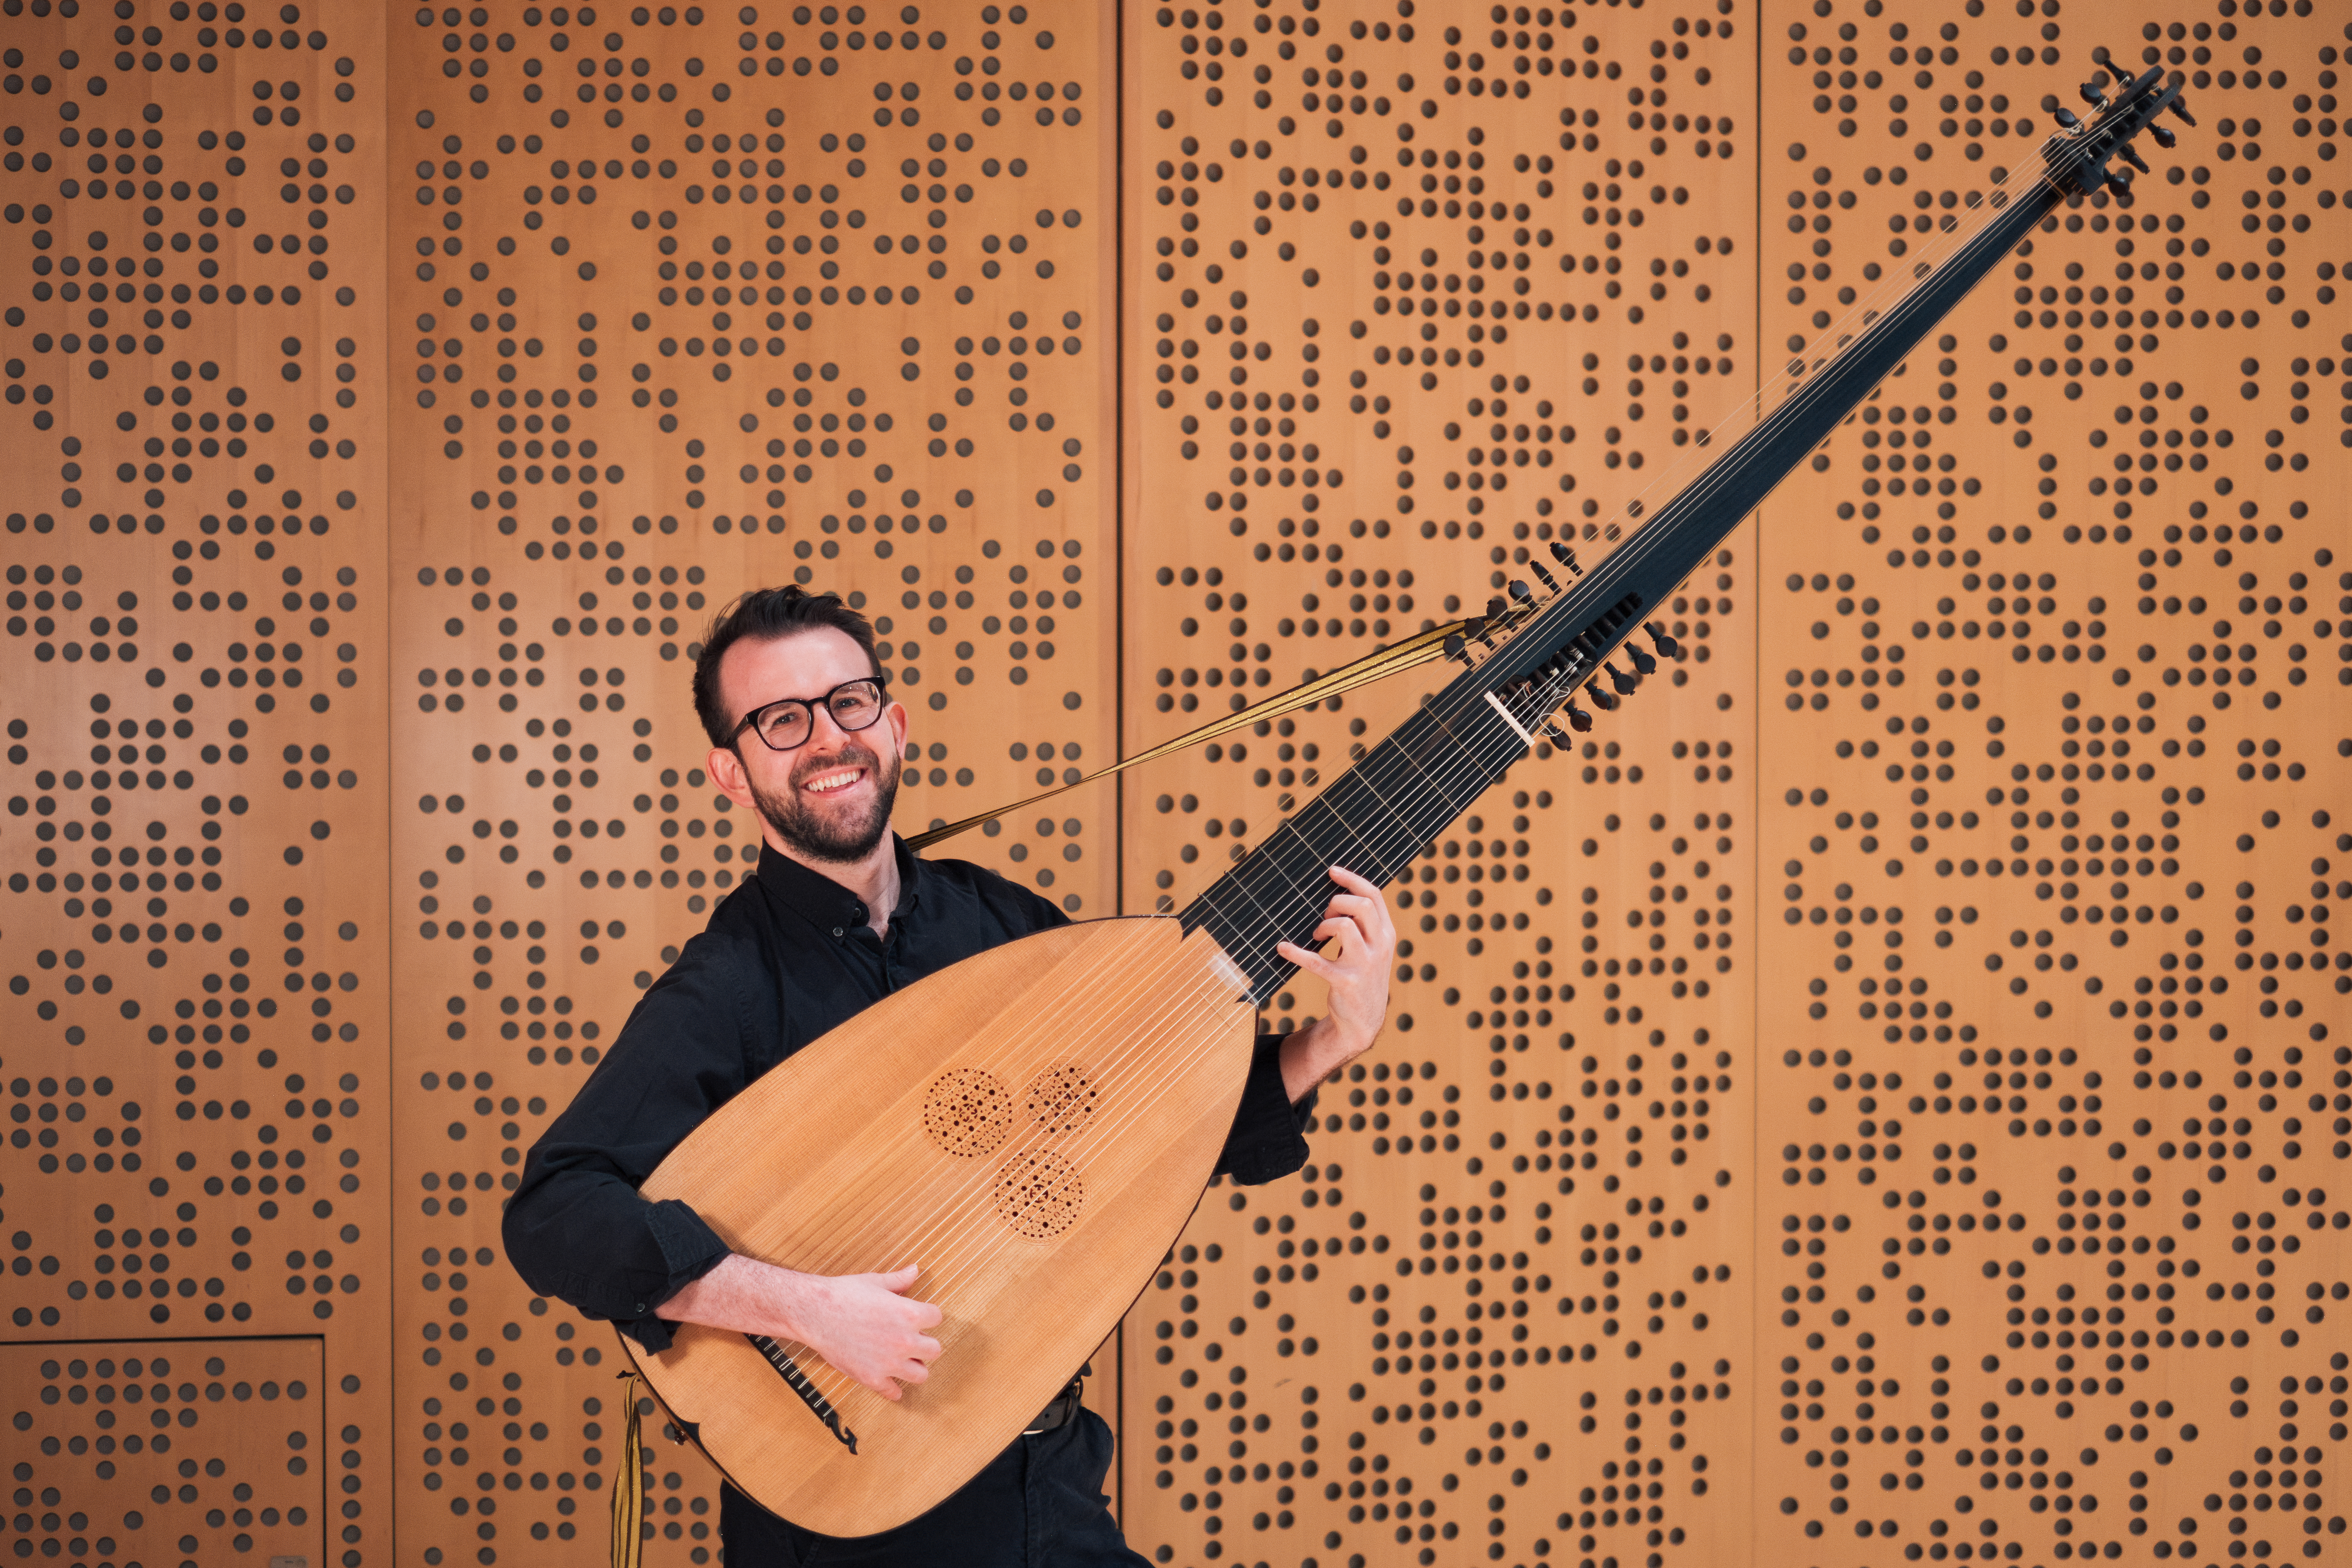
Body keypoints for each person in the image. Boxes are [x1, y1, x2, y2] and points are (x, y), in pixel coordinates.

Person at [504, 585, 1396, 1567]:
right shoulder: (729, 987)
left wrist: (1325, 1043)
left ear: (893, 724)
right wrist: (804, 1309)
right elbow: (554, 1215)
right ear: (732, 770)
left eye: (848, 703)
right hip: (847, 1515)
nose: (826, 738)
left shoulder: (995, 925)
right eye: (781, 720)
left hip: (1041, 1482)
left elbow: (1139, 1123)